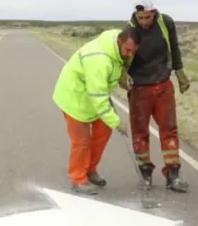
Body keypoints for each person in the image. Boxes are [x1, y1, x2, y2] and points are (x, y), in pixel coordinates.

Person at [52, 27, 141, 195]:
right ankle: (78, 178)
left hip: (93, 93)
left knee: (104, 130)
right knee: (82, 141)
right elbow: (98, 97)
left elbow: (101, 89)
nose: (129, 54)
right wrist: (117, 121)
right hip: (75, 97)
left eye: (133, 51)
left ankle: (89, 169)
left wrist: (122, 74)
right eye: (128, 50)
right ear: (119, 42)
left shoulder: (116, 46)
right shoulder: (99, 60)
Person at [120, 0, 190, 192]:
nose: (144, 21)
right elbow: (122, 55)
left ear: (154, 13)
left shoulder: (165, 23)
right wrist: (122, 74)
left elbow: (174, 47)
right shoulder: (129, 30)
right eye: (140, 17)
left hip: (162, 85)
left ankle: (173, 175)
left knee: (169, 130)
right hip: (139, 88)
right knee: (140, 132)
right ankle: (146, 174)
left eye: (147, 17)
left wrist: (180, 71)